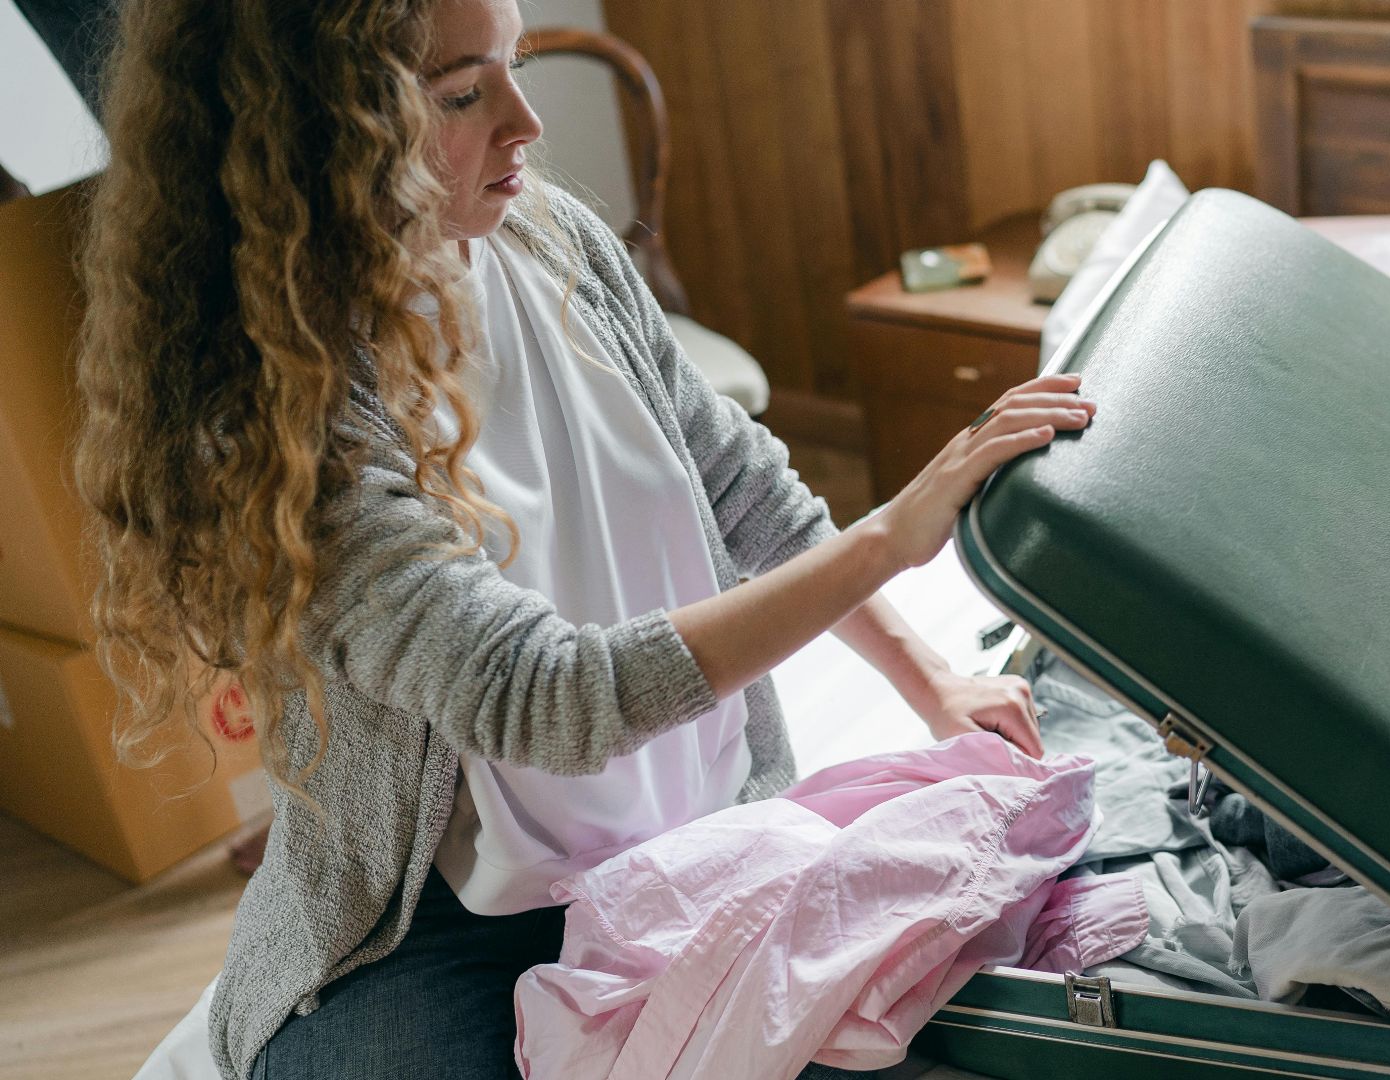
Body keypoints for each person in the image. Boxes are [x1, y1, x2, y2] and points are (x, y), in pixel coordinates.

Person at [72, 1, 1097, 1078]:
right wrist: (890, 534)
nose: (527, 122)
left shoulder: (557, 243)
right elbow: (543, 695)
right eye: (465, 93)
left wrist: (932, 681)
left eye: (516, 67)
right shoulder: (273, 417)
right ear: (320, 129)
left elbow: (742, 486)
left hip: (689, 834)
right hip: (444, 926)